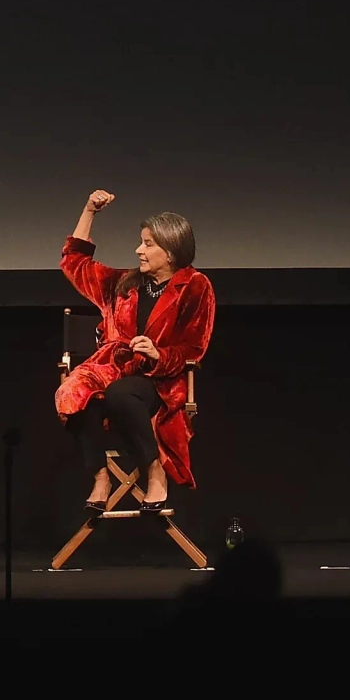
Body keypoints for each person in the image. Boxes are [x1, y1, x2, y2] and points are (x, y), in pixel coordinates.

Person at [56, 190, 216, 514]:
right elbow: (75, 263)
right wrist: (89, 211)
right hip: (114, 370)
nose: (138, 250)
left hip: (159, 381)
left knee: (118, 394)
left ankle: (154, 471)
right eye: (141, 242)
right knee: (75, 392)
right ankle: (101, 477)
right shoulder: (123, 284)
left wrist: (158, 354)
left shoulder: (195, 286)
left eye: (148, 244)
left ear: (170, 252)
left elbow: (194, 348)